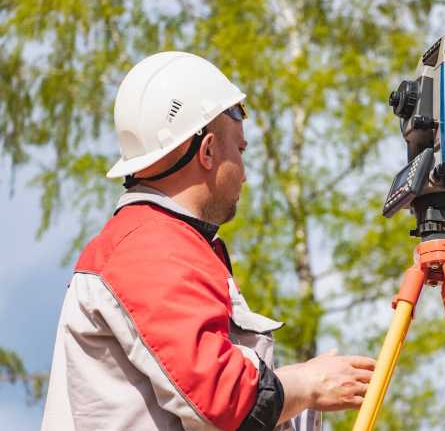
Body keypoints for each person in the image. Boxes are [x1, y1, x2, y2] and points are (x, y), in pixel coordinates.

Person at [41, 51, 375, 431]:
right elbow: (222, 399)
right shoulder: (150, 247)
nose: (245, 175)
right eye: (240, 149)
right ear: (209, 150)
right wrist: (308, 383)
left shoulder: (154, 242)